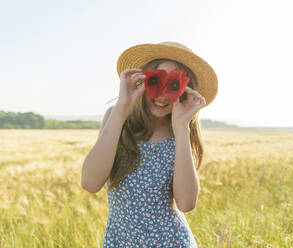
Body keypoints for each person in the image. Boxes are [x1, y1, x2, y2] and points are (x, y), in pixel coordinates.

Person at [81, 41, 218, 247]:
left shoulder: (179, 132)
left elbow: (186, 203)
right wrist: (122, 108)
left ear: (185, 90)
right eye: (156, 81)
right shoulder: (116, 117)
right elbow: (90, 183)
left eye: (173, 85)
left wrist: (181, 127)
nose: (163, 94)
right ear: (142, 80)